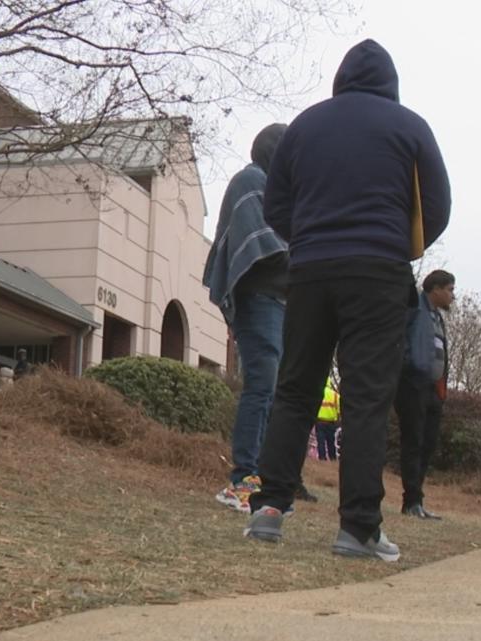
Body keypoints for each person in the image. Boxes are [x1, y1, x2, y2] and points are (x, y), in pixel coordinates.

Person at [244, 39, 451, 564]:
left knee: (295, 388)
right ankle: (358, 527)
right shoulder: (411, 127)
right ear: (391, 83)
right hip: (378, 274)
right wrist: (399, 244)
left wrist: (308, 238)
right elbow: (438, 207)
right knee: (366, 398)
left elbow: (276, 205)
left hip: (310, 271)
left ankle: (269, 506)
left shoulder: (305, 126)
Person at [204, 123, 291, 514]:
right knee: (261, 387)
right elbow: (264, 247)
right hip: (259, 301)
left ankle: (267, 481)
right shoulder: (250, 181)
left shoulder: (281, 191)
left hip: (282, 303)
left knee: (274, 393)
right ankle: (242, 479)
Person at [394, 269, 454, 519]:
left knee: (428, 442)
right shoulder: (414, 308)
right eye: (450, 289)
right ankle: (411, 501)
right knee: (414, 440)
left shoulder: (437, 317)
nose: (453, 295)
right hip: (412, 383)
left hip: (433, 388)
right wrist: (407, 364)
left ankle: (417, 498)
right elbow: (399, 336)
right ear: (436, 288)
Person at [316, 378, 341, 461]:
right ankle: (333, 458)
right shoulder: (335, 395)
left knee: (321, 441)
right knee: (331, 441)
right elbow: (339, 410)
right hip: (331, 422)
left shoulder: (318, 392)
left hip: (319, 421)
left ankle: (322, 458)